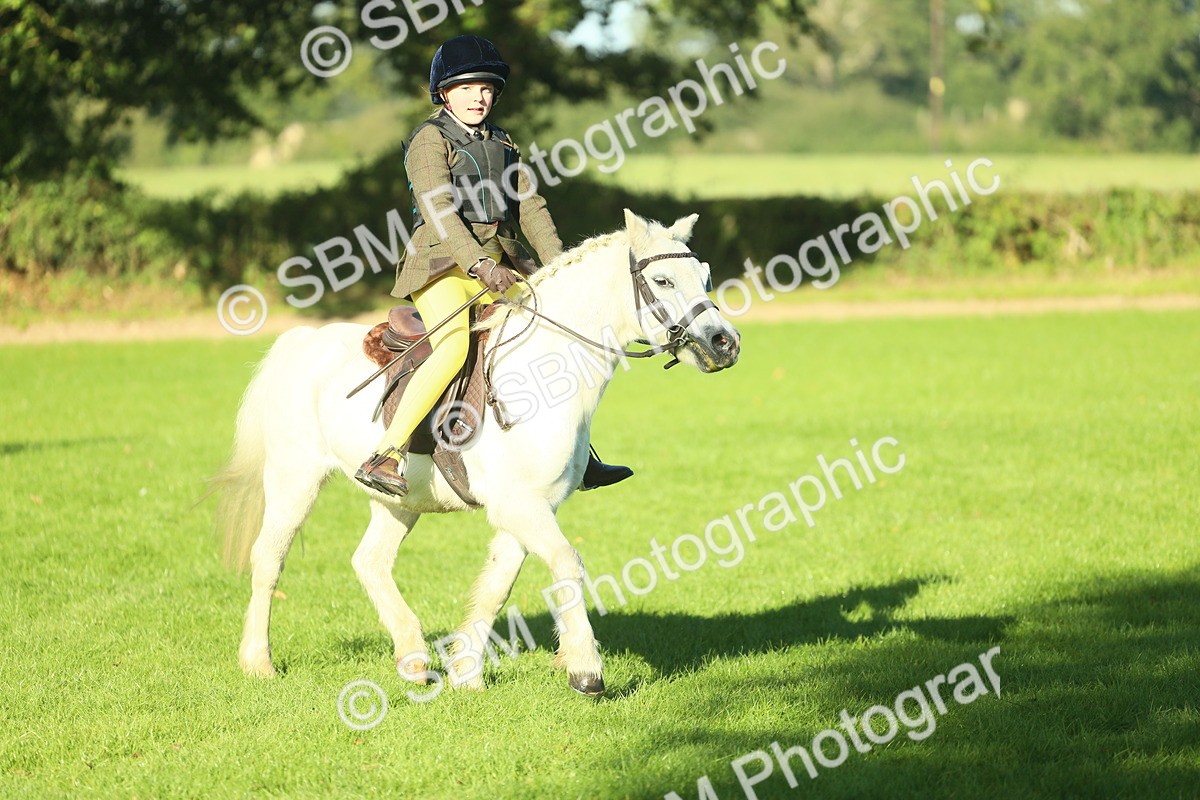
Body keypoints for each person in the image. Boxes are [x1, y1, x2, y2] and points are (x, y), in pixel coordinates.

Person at [356, 34, 632, 498]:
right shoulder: (429, 140)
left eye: (486, 89)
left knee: (558, 330)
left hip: (501, 266)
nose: (478, 97)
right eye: (466, 88)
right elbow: (440, 210)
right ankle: (387, 452)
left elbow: (531, 207)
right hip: (442, 266)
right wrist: (481, 265)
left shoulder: (503, 141)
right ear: (445, 93)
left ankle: (582, 454)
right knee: (450, 349)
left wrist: (561, 267)